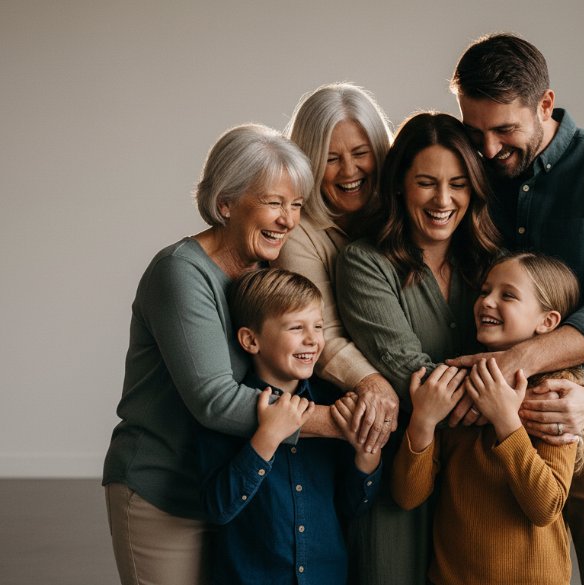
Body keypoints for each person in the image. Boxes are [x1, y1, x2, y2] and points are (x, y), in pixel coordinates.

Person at [447, 33, 584, 585]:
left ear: (546, 104)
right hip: (495, 432)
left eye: (504, 130)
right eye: (476, 131)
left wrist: (521, 365)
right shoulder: (472, 172)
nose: (488, 150)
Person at [102, 123, 345, 585]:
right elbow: (214, 400)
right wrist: (335, 423)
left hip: (233, 493)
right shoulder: (180, 273)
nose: (288, 220)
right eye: (273, 203)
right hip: (164, 492)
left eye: (295, 206)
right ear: (226, 202)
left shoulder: (261, 274)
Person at [335, 111, 503, 585]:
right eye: (426, 183)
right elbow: (413, 377)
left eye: (458, 184)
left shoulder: (494, 262)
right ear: (399, 187)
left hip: (480, 480)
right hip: (397, 479)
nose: (443, 200)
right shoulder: (365, 262)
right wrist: (499, 397)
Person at [392, 252, 584, 585]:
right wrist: (423, 422)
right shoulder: (454, 380)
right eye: (485, 291)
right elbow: (407, 495)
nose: (486, 301)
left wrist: (505, 420)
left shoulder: (556, 394)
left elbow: (545, 506)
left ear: (547, 321)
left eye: (508, 295)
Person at [197, 268, 382, 585]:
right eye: (296, 327)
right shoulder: (225, 415)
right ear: (251, 340)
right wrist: (265, 439)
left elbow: (352, 507)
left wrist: (366, 452)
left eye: (318, 327)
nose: (312, 339)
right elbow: (218, 509)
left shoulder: (333, 404)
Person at [275, 83, 399, 455]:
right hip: (344, 414)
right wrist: (372, 382)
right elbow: (320, 330)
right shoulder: (297, 233)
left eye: (361, 153)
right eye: (331, 159)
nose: (350, 170)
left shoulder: (401, 213)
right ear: (309, 162)